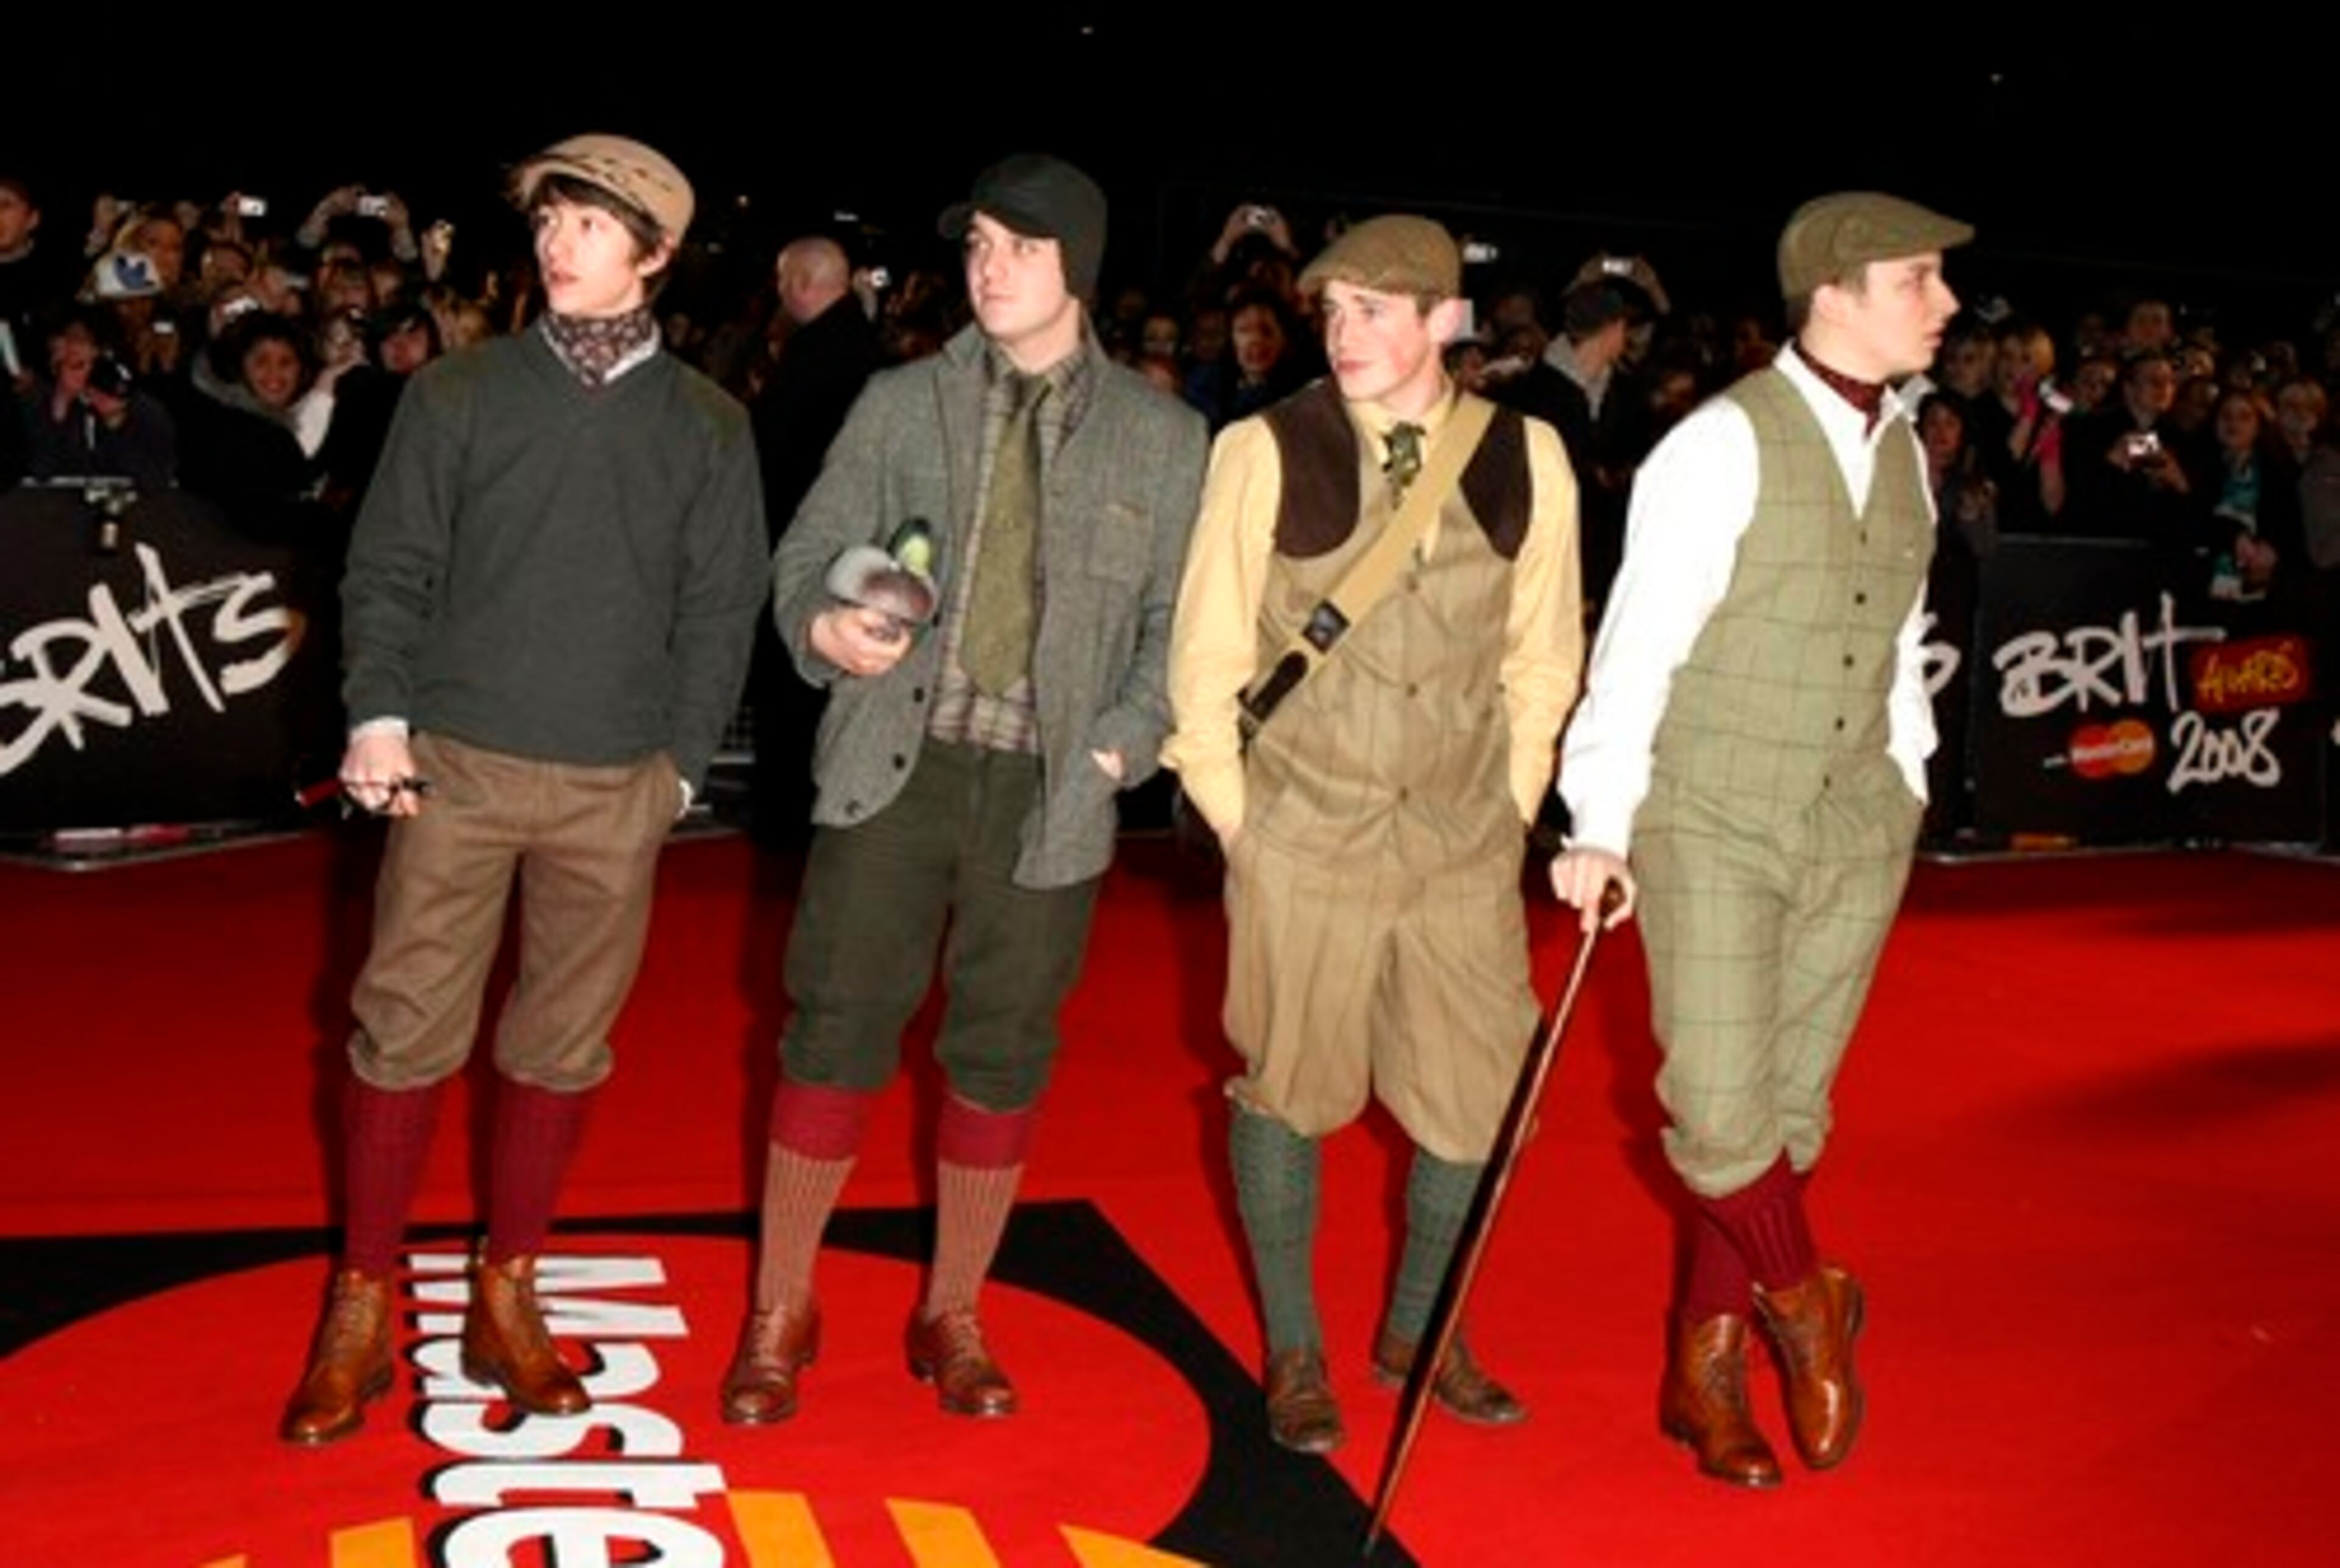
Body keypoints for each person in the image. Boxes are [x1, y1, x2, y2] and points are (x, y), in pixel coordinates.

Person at [278, 133, 768, 1446]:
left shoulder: (710, 427)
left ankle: (509, 1287)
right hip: (457, 765)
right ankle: (363, 1299)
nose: (559, 245)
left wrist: (675, 764)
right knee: (402, 1030)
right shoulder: (462, 396)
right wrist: (379, 716)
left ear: (656, 256)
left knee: (561, 1047)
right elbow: (386, 568)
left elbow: (723, 609)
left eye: (593, 227)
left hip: (617, 782)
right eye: (553, 221)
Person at [725, 154, 1207, 1425]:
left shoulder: (1164, 438)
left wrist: (1122, 744)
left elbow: (1182, 625)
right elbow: (809, 558)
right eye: (980, 245)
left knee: (1001, 1055)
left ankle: (954, 1309)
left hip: (1051, 790)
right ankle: (782, 1306)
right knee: (831, 1031)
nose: (988, 268)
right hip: (898, 765)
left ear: (1079, 273)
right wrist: (825, 630)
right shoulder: (898, 404)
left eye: (1020, 249)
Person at [1550, 191, 1969, 1488]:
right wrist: (1598, 821)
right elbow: (1638, 646)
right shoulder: (1718, 446)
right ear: (1835, 293)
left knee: (1790, 1116)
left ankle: (1702, 1374)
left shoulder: (1906, 448)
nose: (1946, 304)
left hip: (1854, 821)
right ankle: (1811, 1310)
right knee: (1721, 1117)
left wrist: (1908, 770)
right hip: (1715, 814)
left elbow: (1898, 636)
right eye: (1919, 281)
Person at [1163, 215, 1583, 1455]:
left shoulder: (1530, 457)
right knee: (1287, 1090)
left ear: (1444, 321)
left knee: (1475, 1102)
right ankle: (1294, 1345)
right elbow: (1208, 657)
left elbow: (1542, 656)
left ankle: (1418, 1328)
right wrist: (1247, 828)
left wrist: (1508, 805)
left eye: (1375, 312)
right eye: (1331, 310)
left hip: (1461, 842)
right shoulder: (1262, 446)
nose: (1342, 335)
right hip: (1306, 832)